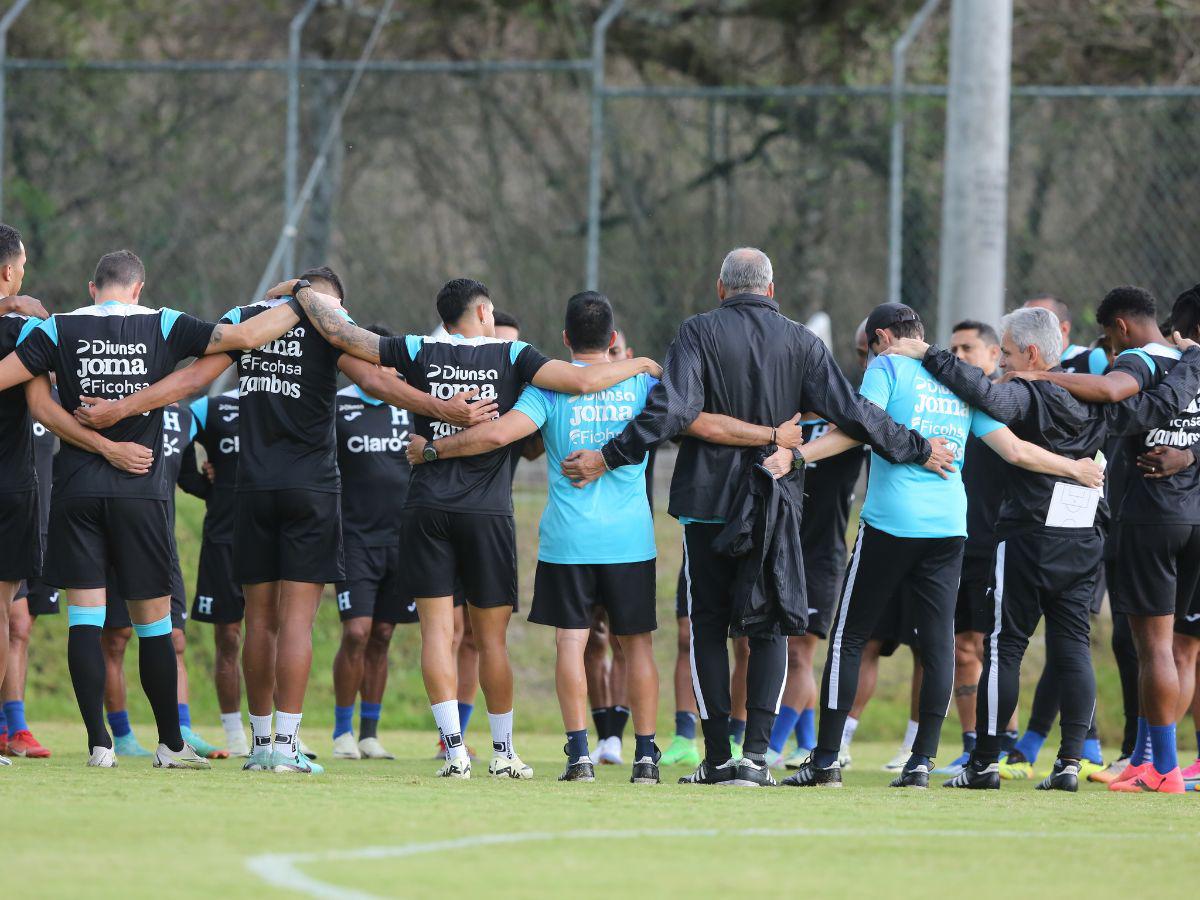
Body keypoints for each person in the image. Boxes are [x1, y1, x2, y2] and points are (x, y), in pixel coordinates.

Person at [561, 251, 955, 788]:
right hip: (774, 498)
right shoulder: (802, 342)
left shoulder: (697, 332)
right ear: (772, 288)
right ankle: (756, 758)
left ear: (721, 288)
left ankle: (718, 757)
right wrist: (915, 446)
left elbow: (670, 410)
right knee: (768, 625)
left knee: (707, 627)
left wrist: (609, 455)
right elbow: (856, 414)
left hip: (708, 503)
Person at [73, 267, 487, 774]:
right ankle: (288, 748)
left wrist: (123, 406)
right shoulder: (331, 325)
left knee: (260, 623)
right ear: (331, 300)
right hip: (310, 489)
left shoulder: (246, 320)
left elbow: (195, 376)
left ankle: (261, 741)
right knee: (296, 623)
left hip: (252, 488)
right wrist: (442, 407)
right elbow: (378, 380)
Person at [291, 276, 662, 780]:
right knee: (492, 642)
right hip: (487, 514)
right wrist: (637, 362)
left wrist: (301, 295)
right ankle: (505, 752)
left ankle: (455, 751)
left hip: (425, 507)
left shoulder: (416, 349)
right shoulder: (514, 357)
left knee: (437, 636)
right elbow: (578, 382)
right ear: (485, 312)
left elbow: (348, 342)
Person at [781, 302, 1103, 789]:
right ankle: (921, 763)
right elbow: (1014, 449)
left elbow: (856, 426)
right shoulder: (959, 380)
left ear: (883, 339)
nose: (868, 361)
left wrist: (798, 455)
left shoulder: (887, 367)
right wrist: (1074, 467)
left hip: (892, 522)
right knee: (937, 646)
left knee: (849, 637)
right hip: (950, 527)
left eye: (870, 349)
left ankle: (825, 760)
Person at [2, 249, 299, 768]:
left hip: (75, 491)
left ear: (93, 288)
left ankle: (99, 744)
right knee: (154, 624)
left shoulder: (57, 329)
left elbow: (37, 404)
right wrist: (304, 301)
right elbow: (246, 338)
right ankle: (169, 742)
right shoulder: (164, 323)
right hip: (139, 489)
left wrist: (99, 446)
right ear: (138, 289)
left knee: (86, 619)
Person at [888, 305, 1198, 791]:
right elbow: (1159, 405)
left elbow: (986, 394)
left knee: (1005, 647)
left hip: (1028, 536)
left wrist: (929, 355)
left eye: (1007, 354)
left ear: (1031, 353)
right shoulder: (1098, 399)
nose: (1004, 364)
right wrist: (1195, 361)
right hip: (1083, 538)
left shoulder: (1025, 392)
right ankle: (1070, 763)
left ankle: (985, 763)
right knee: (1073, 647)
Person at [406, 291, 668, 782]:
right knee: (638, 648)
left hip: (567, 540)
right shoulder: (643, 386)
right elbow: (685, 418)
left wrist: (434, 450)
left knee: (571, 644)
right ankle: (647, 759)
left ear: (566, 339)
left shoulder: (546, 391)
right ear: (614, 340)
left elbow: (493, 437)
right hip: (631, 539)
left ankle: (579, 757)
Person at [1007, 286, 1200, 793]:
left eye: (1111, 349)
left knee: (1151, 646)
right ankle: (1144, 757)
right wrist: (1192, 456)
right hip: (1194, 514)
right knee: (1181, 650)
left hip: (1151, 516)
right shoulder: (1190, 362)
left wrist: (1040, 375)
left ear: (1121, 328)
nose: (1113, 359)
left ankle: (1164, 769)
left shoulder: (1141, 358)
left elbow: (1113, 391)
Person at [766, 327, 868, 770]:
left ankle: (772, 743)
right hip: (783, 547)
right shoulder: (787, 421)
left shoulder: (849, 425)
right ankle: (805, 740)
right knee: (782, 647)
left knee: (800, 652)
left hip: (822, 557)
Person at [100, 402, 224, 758]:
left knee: (175, 637)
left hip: (161, 543)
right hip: (114, 536)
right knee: (117, 638)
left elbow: (185, 476)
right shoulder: (121, 402)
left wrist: (211, 478)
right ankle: (121, 734)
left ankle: (180, 731)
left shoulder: (183, 416)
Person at [927, 320, 1019, 776]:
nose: (958, 355)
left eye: (968, 347)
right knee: (961, 646)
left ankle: (1009, 746)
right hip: (949, 540)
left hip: (996, 542)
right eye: (953, 348)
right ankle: (971, 746)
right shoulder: (941, 404)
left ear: (992, 355)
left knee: (995, 646)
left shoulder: (1007, 403)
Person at [330, 324, 413, 762]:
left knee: (382, 634)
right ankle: (341, 731)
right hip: (353, 539)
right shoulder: (338, 406)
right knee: (357, 632)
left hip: (402, 539)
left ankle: (369, 733)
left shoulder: (409, 403)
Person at [0, 223, 52, 767]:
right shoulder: (26, 334)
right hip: (10, 486)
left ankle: (12, 727)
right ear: (9, 272)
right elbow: (51, 400)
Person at [187, 387, 250, 756]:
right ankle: (234, 733)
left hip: (272, 536)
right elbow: (173, 436)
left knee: (272, 634)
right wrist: (198, 483)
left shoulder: (288, 399)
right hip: (223, 539)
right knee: (229, 637)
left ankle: (280, 730)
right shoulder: (210, 407)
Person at [1, 392, 58, 760]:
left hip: (33, 522)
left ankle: (15, 726)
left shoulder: (52, 398)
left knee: (20, 626)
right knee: (13, 618)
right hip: (11, 512)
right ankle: (8, 726)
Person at [1023, 295, 1108, 374]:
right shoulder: (1021, 364)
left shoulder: (1093, 358)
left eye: (1038, 323)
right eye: (1023, 323)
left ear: (1064, 329)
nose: (1028, 330)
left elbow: (1115, 387)